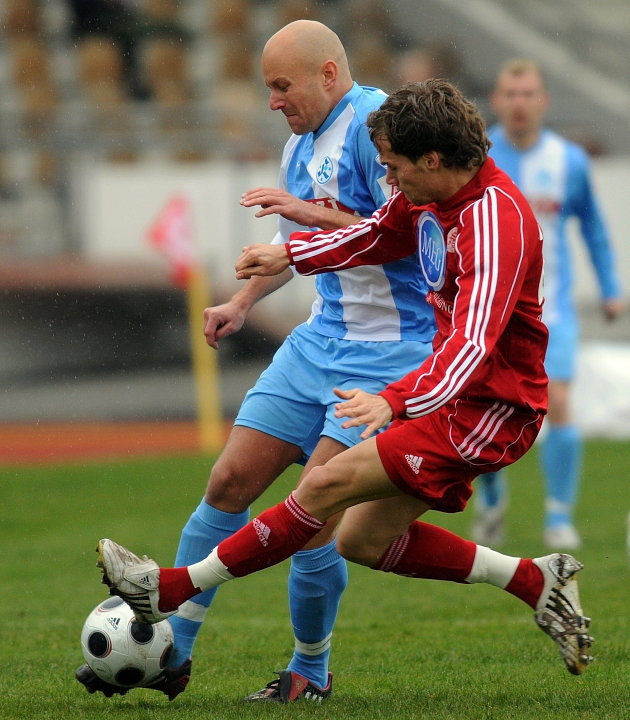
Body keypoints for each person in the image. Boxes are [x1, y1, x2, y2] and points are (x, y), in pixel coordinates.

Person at [95, 80, 594, 690]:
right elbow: (377, 233)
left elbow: (472, 345)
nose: (388, 178)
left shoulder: (495, 221)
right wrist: (294, 255)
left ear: (431, 159)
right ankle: (534, 580)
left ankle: (170, 589)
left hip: (491, 406)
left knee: (324, 487)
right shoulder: (434, 196)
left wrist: (392, 399)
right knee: (361, 539)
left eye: (394, 166)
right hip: (449, 389)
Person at [75, 20, 436, 703]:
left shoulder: (379, 129)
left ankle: (310, 670)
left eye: (282, 85)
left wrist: (306, 215)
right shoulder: (299, 145)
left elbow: (406, 234)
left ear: (328, 73)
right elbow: (293, 247)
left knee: (314, 513)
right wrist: (241, 302)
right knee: (228, 481)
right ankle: (174, 652)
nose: (273, 101)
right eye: (269, 87)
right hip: (318, 341)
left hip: (391, 356)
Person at [472, 58, 623, 550]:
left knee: (558, 400)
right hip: (488, 308)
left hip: (550, 310)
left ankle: (559, 515)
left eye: (528, 94)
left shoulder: (568, 162)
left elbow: (594, 229)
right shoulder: (477, 156)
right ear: (496, 101)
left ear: (543, 101)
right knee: (485, 407)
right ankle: (491, 497)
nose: (519, 103)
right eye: (510, 94)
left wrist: (610, 287)